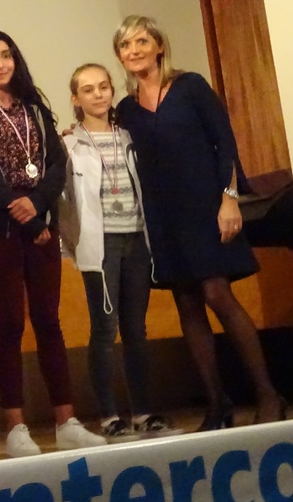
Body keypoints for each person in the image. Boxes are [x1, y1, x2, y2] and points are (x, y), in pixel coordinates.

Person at [112, 15, 287, 429]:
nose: (134, 50)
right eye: (125, 45)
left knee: (217, 293)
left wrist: (229, 199)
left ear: (159, 46)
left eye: (141, 41)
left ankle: (268, 394)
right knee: (187, 304)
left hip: (206, 208)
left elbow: (224, 142)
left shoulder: (190, 86)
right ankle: (216, 404)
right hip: (162, 217)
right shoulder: (125, 109)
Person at [0, 30, 106, 458]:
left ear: (15, 59)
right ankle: (15, 426)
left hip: (41, 223)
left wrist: (37, 208)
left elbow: (56, 163)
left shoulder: (34, 107)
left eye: (5, 55)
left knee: (49, 320)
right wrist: (27, 216)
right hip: (2, 228)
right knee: (11, 322)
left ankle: (66, 421)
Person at [60, 63, 179, 442]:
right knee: (104, 328)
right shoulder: (68, 144)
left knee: (136, 329)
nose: (98, 94)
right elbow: (63, 202)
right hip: (101, 244)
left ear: (113, 90)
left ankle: (142, 412)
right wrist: (70, 243)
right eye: (88, 89)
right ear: (75, 98)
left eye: (103, 87)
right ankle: (109, 415)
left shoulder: (129, 136)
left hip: (137, 238)